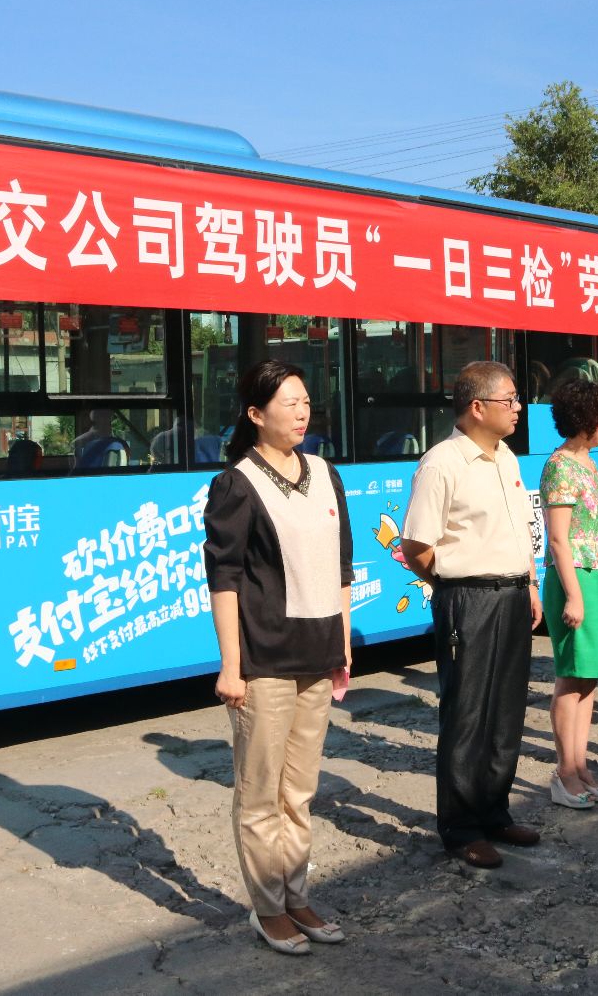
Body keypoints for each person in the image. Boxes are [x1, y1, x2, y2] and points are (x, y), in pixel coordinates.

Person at [202, 360, 353, 955]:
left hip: (319, 653)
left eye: (306, 400)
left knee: (300, 792)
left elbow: (342, 566)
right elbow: (225, 578)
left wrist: (343, 641)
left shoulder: (325, 473)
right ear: (256, 414)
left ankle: (297, 895)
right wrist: (231, 666)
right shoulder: (237, 483)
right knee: (261, 794)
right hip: (263, 661)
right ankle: (268, 910)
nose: (302, 411)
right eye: (289, 402)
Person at [400, 361, 543, 868]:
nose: (518, 408)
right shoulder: (442, 463)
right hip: (468, 600)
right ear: (477, 407)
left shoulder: (506, 457)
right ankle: (460, 828)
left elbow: (519, 530)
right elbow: (416, 545)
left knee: (506, 712)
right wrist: (452, 586)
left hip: (512, 594)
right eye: (510, 399)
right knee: (467, 716)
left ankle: (494, 812)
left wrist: (529, 583)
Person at [539, 379, 598, 808]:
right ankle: (564, 773)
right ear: (583, 418)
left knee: (589, 678)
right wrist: (574, 595)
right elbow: (558, 539)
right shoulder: (560, 466)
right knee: (571, 678)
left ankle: (581, 766)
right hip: (577, 580)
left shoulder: (588, 462)